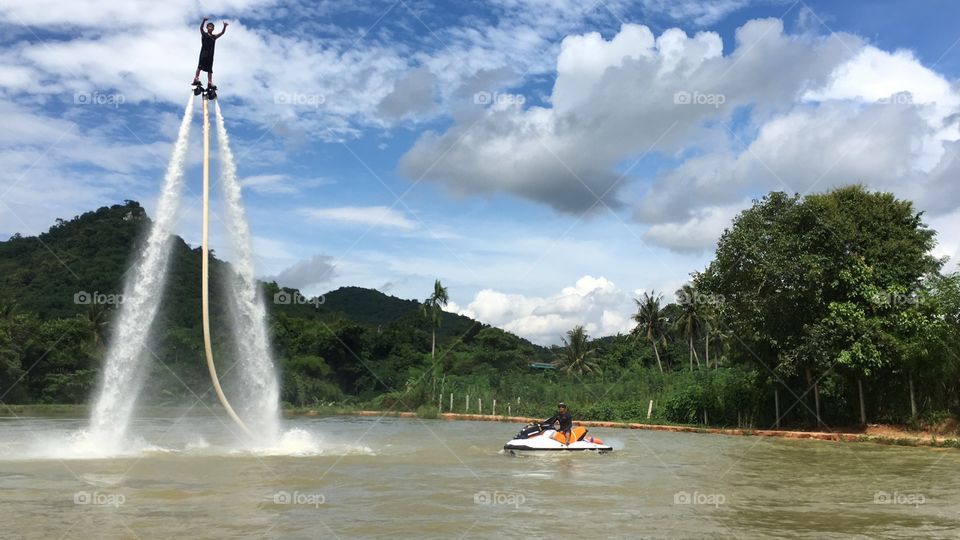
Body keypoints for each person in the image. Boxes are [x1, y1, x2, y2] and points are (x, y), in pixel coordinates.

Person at [192, 18, 228, 88]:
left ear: (213, 29)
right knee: (199, 67)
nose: (210, 27)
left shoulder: (214, 37)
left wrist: (224, 26)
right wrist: (203, 21)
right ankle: (196, 78)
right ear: (207, 28)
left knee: (210, 70)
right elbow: (201, 28)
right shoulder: (204, 34)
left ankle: (210, 82)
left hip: (210, 55)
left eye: (212, 27)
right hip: (203, 53)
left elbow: (222, 33)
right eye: (209, 26)